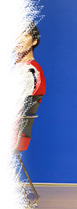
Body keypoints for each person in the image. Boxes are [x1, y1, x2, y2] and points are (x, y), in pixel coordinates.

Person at [15, 22, 46, 152]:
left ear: (34, 41)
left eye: (25, 35)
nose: (19, 39)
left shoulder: (29, 71)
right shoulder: (21, 69)